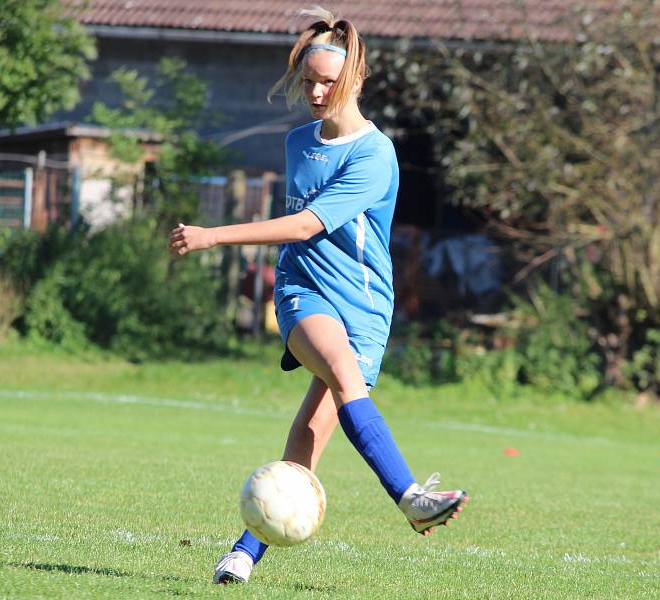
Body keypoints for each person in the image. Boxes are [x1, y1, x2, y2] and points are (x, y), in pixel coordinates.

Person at [168, 6, 468, 585]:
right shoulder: (298, 141)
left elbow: (308, 222)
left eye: (328, 81)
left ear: (355, 78)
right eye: (309, 80)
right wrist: (217, 238)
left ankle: (243, 554)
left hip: (365, 310)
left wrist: (213, 234)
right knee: (340, 371)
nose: (316, 91)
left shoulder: (375, 155)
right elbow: (302, 238)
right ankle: (409, 496)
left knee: (306, 439)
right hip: (304, 295)